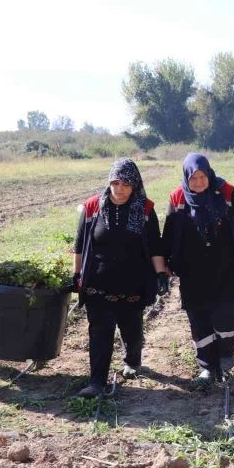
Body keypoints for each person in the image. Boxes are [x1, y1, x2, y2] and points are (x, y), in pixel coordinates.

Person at [73, 158, 168, 397]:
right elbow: (79, 245)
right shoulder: (92, 207)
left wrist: (160, 273)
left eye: (126, 183)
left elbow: (155, 246)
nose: (119, 188)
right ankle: (96, 382)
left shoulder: (145, 210)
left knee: (131, 328)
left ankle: (133, 360)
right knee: (99, 332)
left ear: (134, 184)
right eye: (115, 182)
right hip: (98, 283)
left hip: (132, 283)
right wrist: (77, 276)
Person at [163, 153, 234, 383]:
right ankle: (206, 365)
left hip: (226, 267)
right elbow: (168, 234)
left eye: (202, 176)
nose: (197, 182)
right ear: (186, 178)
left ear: (209, 173)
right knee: (198, 317)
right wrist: (164, 264)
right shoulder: (178, 198)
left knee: (226, 313)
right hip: (192, 270)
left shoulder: (225, 192)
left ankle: (225, 354)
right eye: (193, 178)